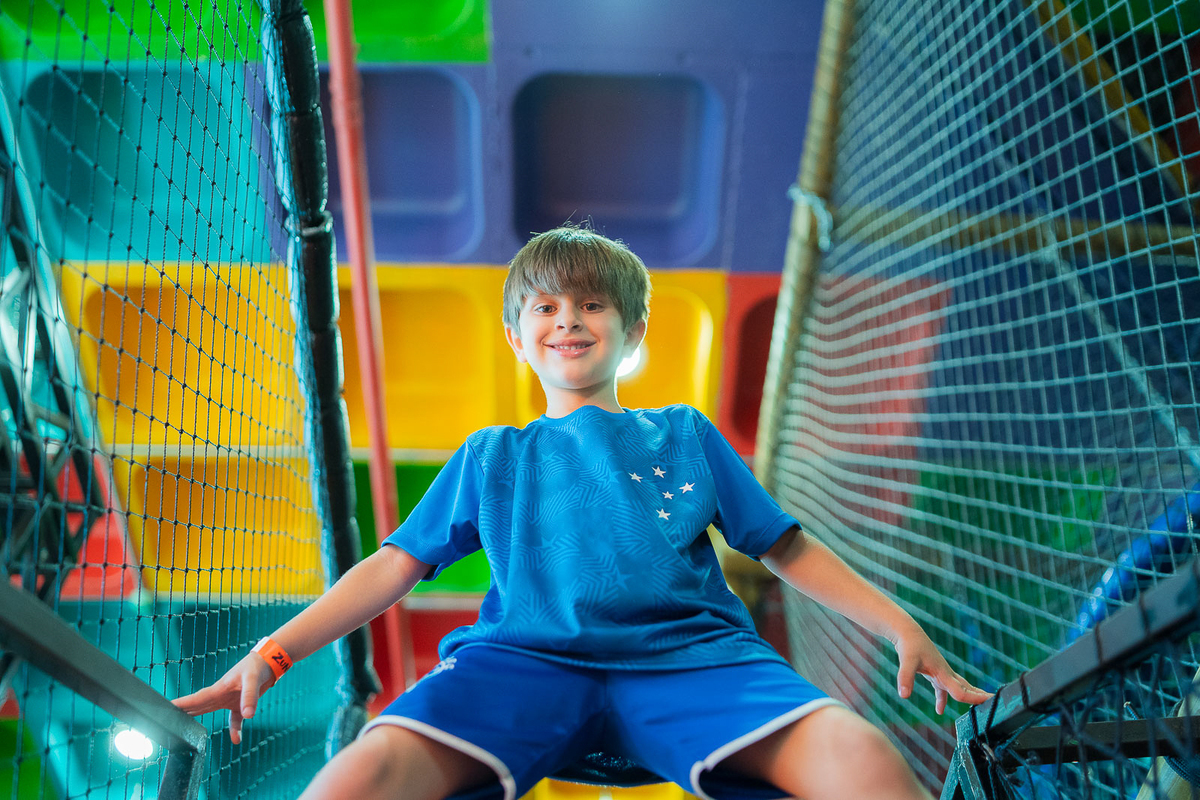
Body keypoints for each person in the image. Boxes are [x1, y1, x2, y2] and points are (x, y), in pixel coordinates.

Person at [174, 225, 991, 800]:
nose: (568, 317)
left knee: (860, 755)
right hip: (523, 661)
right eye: (545, 307)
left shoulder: (682, 434)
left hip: (691, 656)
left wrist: (898, 624)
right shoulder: (493, 455)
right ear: (516, 336)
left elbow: (785, 546)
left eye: (593, 304)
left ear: (632, 332)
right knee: (358, 775)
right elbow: (394, 564)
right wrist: (272, 653)